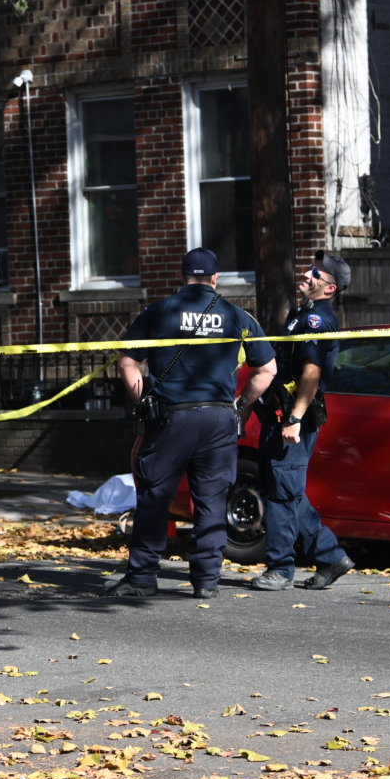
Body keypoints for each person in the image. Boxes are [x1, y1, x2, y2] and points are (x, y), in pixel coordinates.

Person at [105, 247, 277, 600]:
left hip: (171, 417)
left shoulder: (157, 312)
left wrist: (144, 402)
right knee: (212, 499)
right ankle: (206, 580)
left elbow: (126, 363)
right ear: (215, 279)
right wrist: (240, 406)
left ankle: (141, 577)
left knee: (155, 497)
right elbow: (267, 370)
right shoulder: (237, 316)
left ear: (182, 276)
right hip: (218, 419)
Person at [249, 253, 356, 592]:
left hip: (295, 418)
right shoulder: (302, 315)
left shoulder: (317, 321)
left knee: (282, 494)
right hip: (280, 414)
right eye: (310, 269)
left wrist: (294, 418)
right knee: (287, 491)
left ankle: (280, 569)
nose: (307, 275)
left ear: (330, 287)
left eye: (316, 273)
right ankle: (330, 556)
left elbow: (311, 373)